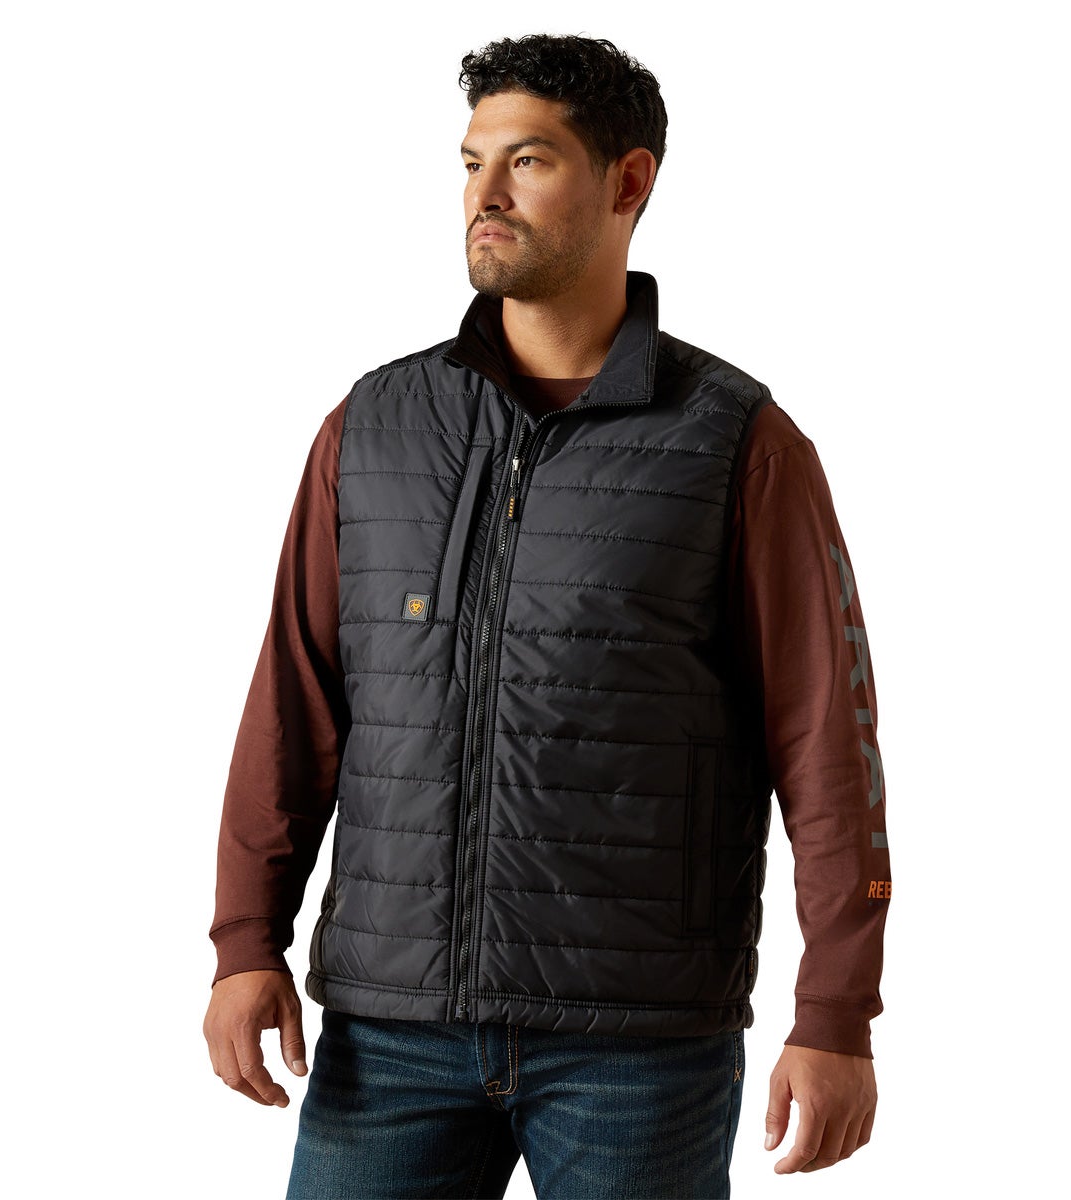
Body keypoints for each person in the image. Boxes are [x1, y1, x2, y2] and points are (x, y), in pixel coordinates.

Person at [202, 32, 891, 1200]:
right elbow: (295, 705)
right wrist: (242, 942)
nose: (486, 193)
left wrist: (835, 1012)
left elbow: (826, 744)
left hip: (638, 1047)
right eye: (472, 162)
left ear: (629, 182)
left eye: (527, 161)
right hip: (390, 1034)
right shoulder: (375, 428)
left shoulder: (737, 443)